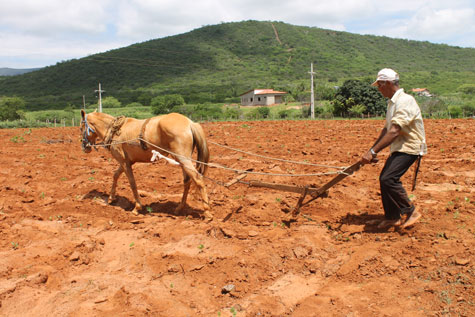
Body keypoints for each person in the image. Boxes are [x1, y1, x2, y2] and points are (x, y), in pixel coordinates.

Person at [361, 68, 427, 229]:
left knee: (388, 179)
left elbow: (395, 131)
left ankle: (411, 211)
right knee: (385, 179)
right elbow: (386, 130)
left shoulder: (405, 101)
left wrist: (373, 152)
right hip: (399, 147)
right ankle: (392, 217)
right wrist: (372, 150)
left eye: (380, 85)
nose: (379, 89)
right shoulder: (392, 102)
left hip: (410, 147)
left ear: (389, 83)